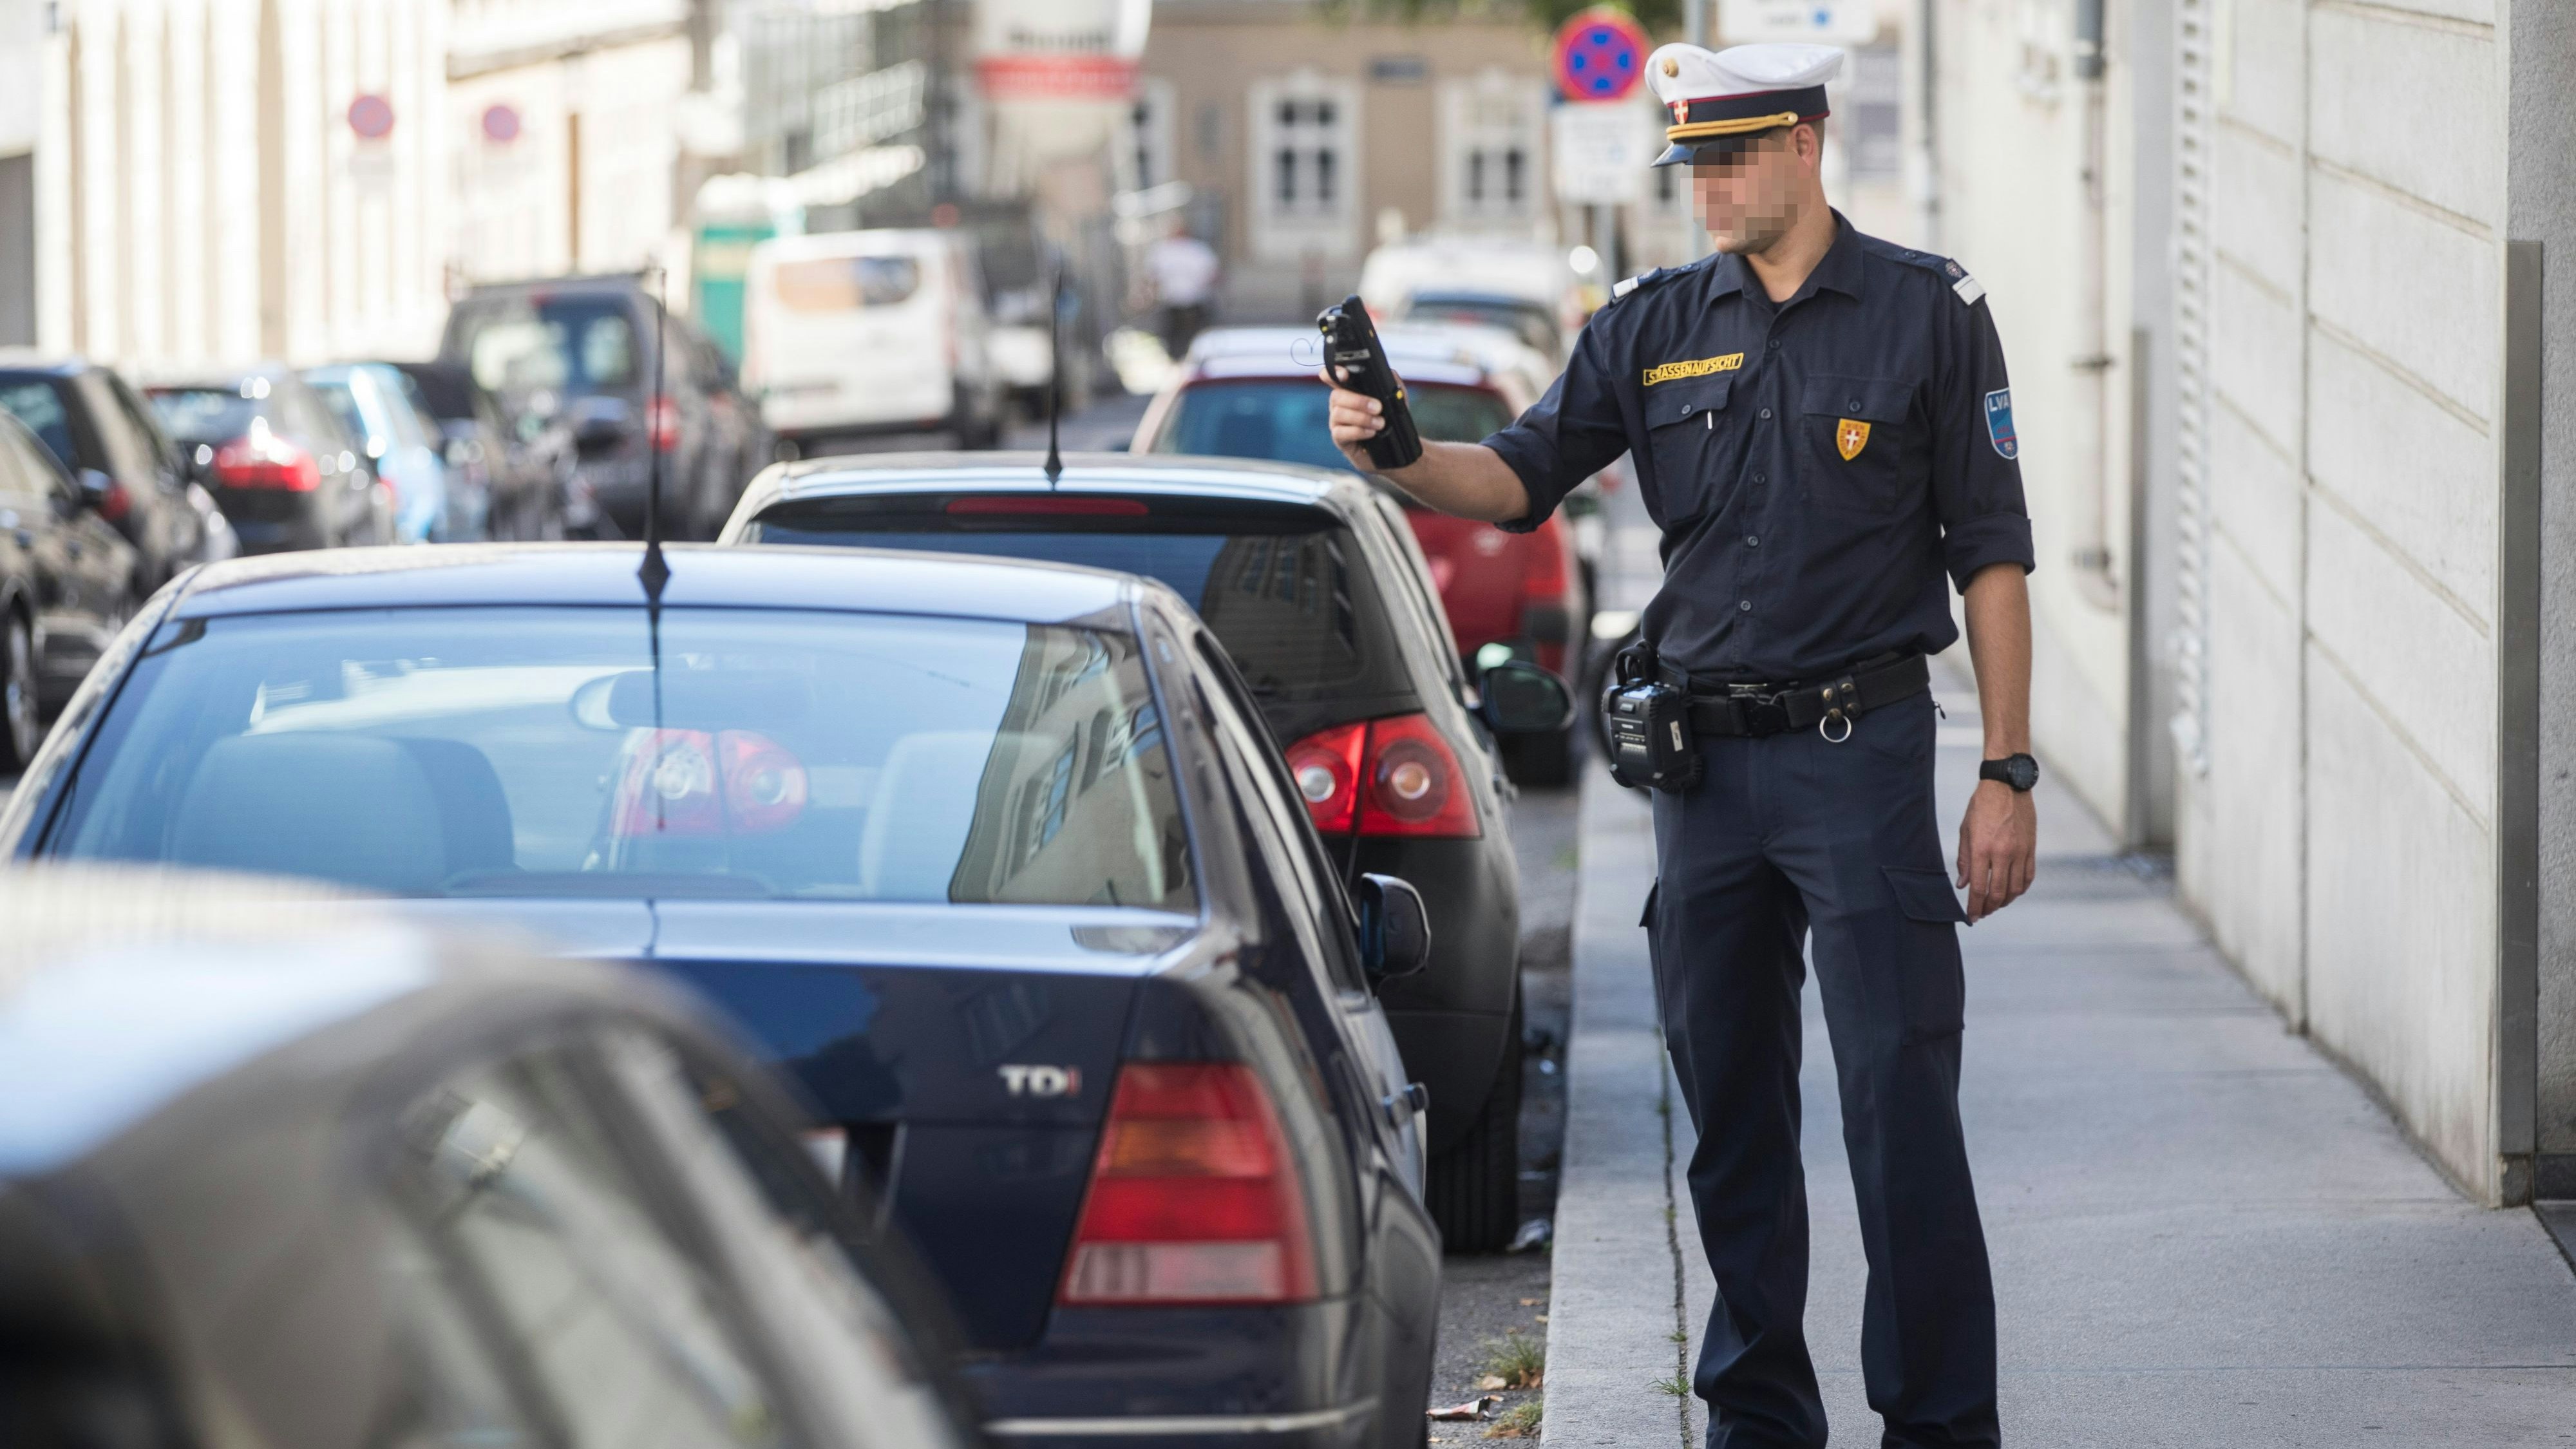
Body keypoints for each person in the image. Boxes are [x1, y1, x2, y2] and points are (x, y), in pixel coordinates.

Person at [1324, 41, 2036, 1449]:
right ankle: (1757, 1419)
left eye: (1730, 155)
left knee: (1898, 1102)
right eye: (1691, 160)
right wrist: (1396, 451)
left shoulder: (1926, 314)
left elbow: (1991, 558)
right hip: (1702, 776)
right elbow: (1518, 478)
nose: (1705, 184)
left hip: (1859, 749)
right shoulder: (1651, 323)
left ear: (1806, 143)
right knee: (1729, 1121)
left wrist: (2004, 771)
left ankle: (1940, 1425)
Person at [1144, 218, 1220, 359]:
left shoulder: (1198, 250)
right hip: (1172, 303)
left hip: (1195, 302)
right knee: (1172, 340)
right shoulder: (1163, 251)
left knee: (1196, 338)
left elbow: (1213, 275)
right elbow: (1153, 277)